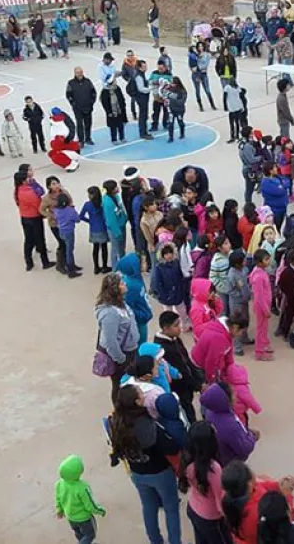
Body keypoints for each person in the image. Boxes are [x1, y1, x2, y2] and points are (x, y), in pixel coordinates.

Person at [110, 385, 183, 544]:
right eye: (141, 394)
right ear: (136, 402)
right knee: (171, 508)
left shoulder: (117, 422)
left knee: (148, 507)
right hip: (160, 472)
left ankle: (155, 540)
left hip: (137, 472)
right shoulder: (147, 424)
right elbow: (171, 447)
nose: (144, 395)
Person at [178, 422, 231, 544]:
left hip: (193, 508)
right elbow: (220, 501)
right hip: (211, 518)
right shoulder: (213, 468)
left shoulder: (187, 459)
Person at [96, 273, 139, 404]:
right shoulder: (109, 313)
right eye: (121, 283)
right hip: (122, 355)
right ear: (114, 289)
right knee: (119, 385)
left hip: (129, 351)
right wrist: (121, 359)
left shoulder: (120, 303)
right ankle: (120, 411)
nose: (125, 284)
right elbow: (110, 341)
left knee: (127, 382)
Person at [200, 381, 257, 465]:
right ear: (226, 400)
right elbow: (245, 449)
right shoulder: (230, 425)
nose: (236, 395)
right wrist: (252, 436)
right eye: (233, 393)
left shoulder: (210, 412)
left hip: (219, 456)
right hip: (230, 462)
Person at [55, 454, 106, 544]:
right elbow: (90, 505)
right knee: (90, 535)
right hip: (84, 519)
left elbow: (58, 498)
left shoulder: (59, 484)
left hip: (70, 517)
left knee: (79, 533)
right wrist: (100, 510)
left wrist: (59, 509)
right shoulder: (82, 488)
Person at [13, 170, 55, 271]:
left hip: (24, 217)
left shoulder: (17, 190)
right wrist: (44, 213)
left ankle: (29, 262)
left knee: (28, 240)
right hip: (34, 217)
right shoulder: (29, 192)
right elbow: (38, 204)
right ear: (23, 181)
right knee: (40, 239)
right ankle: (45, 262)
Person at [65, 67, 97, 146]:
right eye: (78, 72)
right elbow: (68, 95)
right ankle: (81, 141)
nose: (79, 74)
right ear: (75, 73)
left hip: (88, 107)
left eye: (80, 72)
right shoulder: (71, 83)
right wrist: (73, 104)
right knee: (79, 124)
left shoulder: (88, 81)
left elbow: (94, 93)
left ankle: (88, 138)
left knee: (88, 123)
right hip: (77, 108)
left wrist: (91, 103)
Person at [102, 179, 128, 269]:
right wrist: (117, 233)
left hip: (121, 225)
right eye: (115, 187)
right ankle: (115, 269)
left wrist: (125, 218)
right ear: (112, 190)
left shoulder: (116, 196)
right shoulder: (107, 203)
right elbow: (111, 220)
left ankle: (123, 265)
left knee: (122, 249)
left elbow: (121, 208)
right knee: (115, 250)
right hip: (114, 230)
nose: (117, 188)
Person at [188, 42, 217, 112]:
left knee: (207, 90)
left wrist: (197, 67)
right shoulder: (194, 55)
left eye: (202, 46)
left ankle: (212, 104)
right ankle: (200, 105)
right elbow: (191, 65)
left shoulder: (207, 55)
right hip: (195, 75)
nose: (200, 48)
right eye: (199, 46)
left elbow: (205, 65)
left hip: (203, 74)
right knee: (197, 90)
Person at [260, 162, 289, 230]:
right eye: (275, 167)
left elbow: (287, 181)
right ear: (270, 171)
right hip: (274, 210)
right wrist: (283, 187)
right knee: (275, 227)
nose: (277, 169)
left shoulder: (278, 176)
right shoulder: (266, 183)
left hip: (282, 207)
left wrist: (282, 186)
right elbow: (280, 192)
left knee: (280, 224)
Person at [100, 79, 128, 144]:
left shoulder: (117, 88)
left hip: (119, 110)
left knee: (121, 125)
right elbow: (104, 102)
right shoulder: (105, 91)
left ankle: (122, 137)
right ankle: (114, 139)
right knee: (113, 126)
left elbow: (121, 97)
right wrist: (108, 112)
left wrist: (123, 105)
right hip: (111, 111)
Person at [131, 60, 153, 140]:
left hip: (142, 97)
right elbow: (141, 89)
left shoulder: (140, 74)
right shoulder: (139, 76)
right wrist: (150, 89)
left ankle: (144, 131)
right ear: (140, 67)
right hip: (141, 97)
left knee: (144, 114)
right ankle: (143, 133)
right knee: (143, 115)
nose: (146, 67)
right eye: (144, 66)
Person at [163, 76, 188, 143]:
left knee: (180, 122)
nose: (171, 85)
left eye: (173, 83)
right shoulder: (169, 89)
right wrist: (166, 101)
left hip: (179, 110)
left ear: (177, 84)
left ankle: (182, 133)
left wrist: (173, 97)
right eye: (171, 83)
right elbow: (165, 96)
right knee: (170, 123)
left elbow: (182, 101)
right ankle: (170, 137)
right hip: (171, 110)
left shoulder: (182, 91)